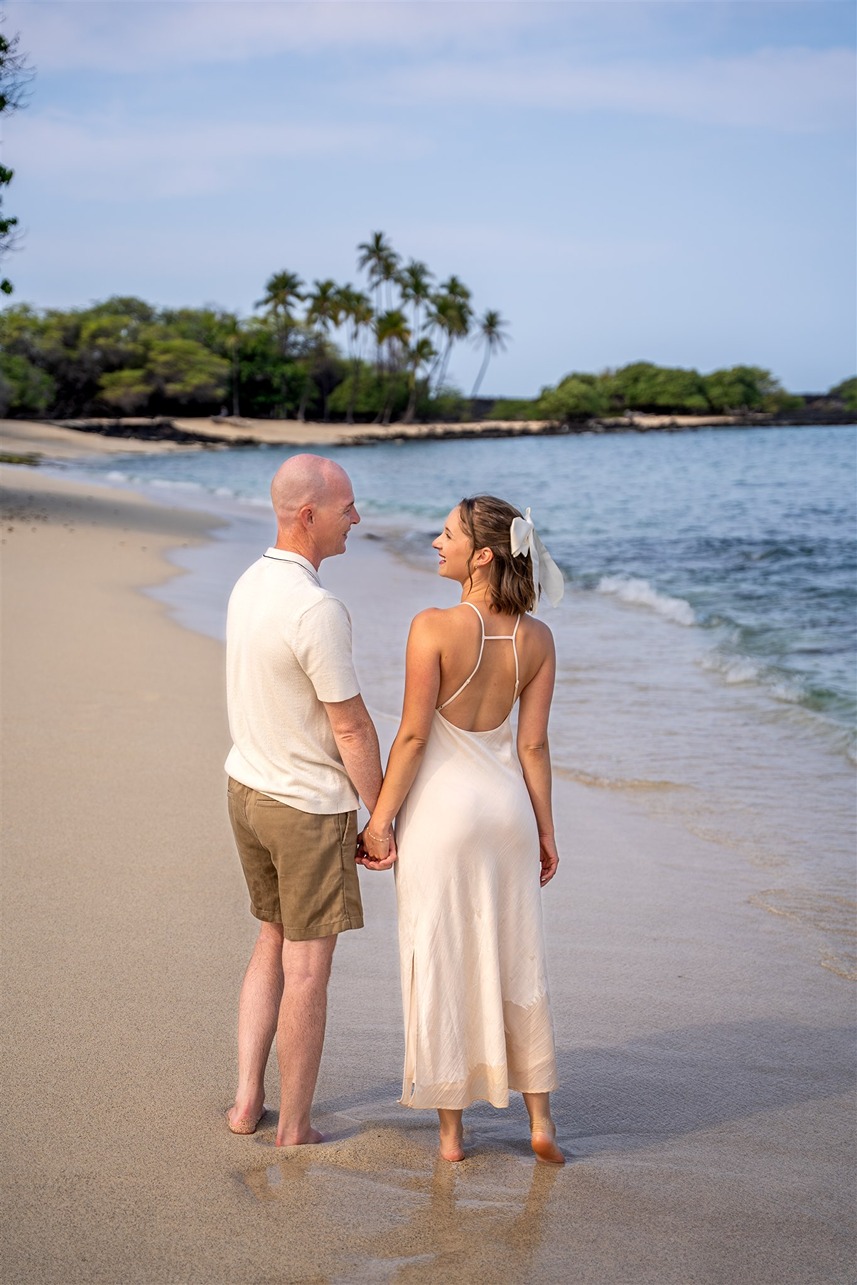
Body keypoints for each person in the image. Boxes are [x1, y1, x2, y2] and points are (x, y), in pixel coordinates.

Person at [360, 495, 565, 1164]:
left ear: (482, 553)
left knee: (440, 958)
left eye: (445, 534)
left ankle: (451, 1136)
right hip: (505, 809)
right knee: (516, 953)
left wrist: (379, 821)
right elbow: (532, 746)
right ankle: (539, 1120)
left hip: (443, 815)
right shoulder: (536, 637)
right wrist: (545, 829)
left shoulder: (433, 626)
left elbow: (415, 734)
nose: (433, 543)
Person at [224, 454, 388, 1147]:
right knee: (307, 970)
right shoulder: (316, 607)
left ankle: (243, 1102)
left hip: (248, 791)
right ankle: (293, 1125)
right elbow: (349, 724)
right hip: (304, 807)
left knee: (270, 940)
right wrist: (380, 816)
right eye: (347, 506)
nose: (356, 517)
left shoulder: (250, 581)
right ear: (307, 514)